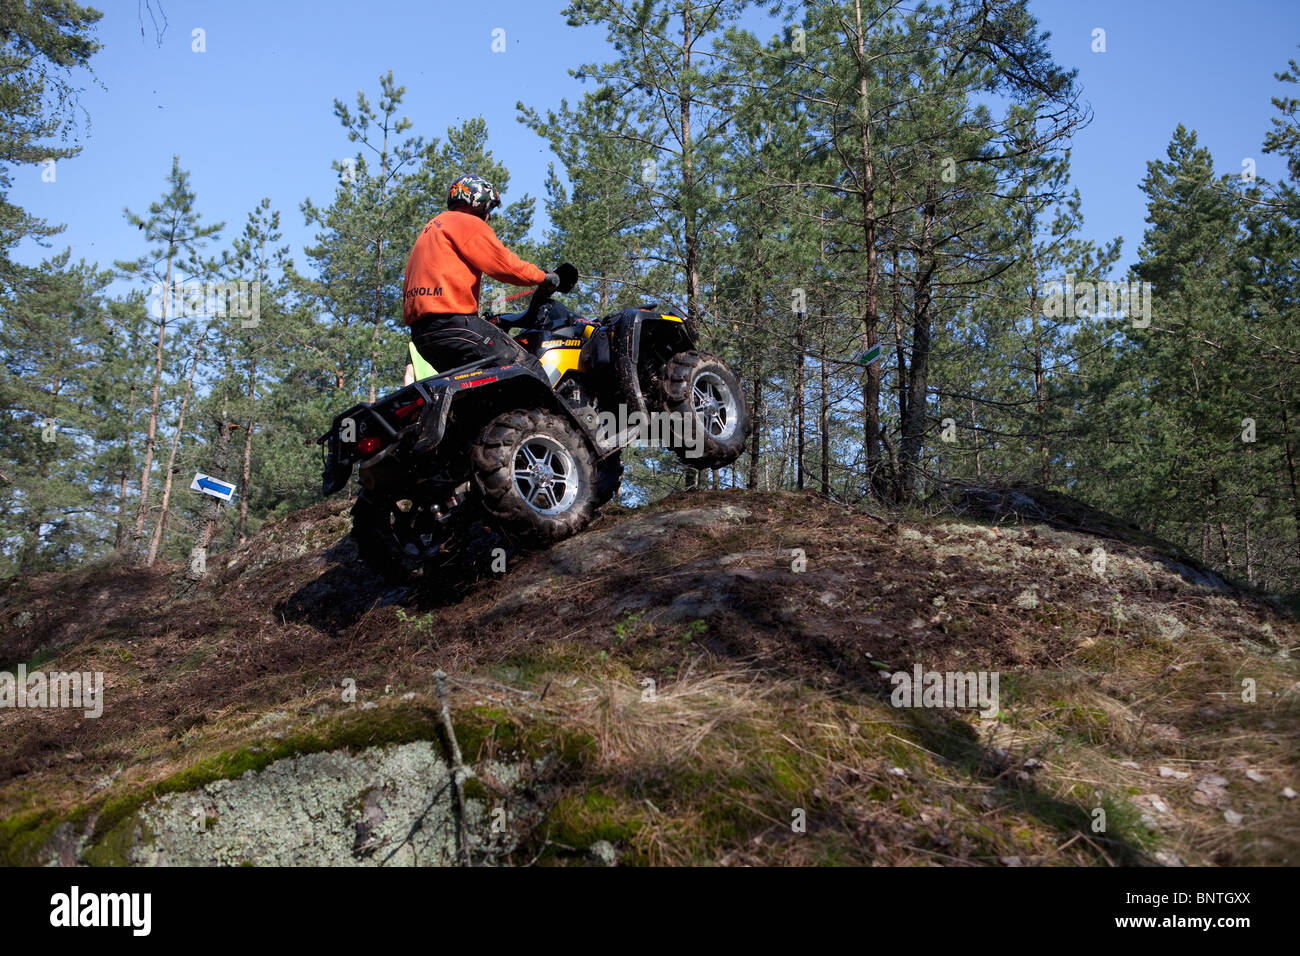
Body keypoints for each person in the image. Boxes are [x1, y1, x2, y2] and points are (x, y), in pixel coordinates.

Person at [402, 174, 555, 380]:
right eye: (489, 208)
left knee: (479, 390)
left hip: (424, 337)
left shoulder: (433, 227)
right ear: (478, 202)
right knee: (527, 368)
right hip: (453, 324)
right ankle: (550, 413)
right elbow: (506, 266)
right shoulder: (465, 222)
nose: (489, 216)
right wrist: (543, 277)